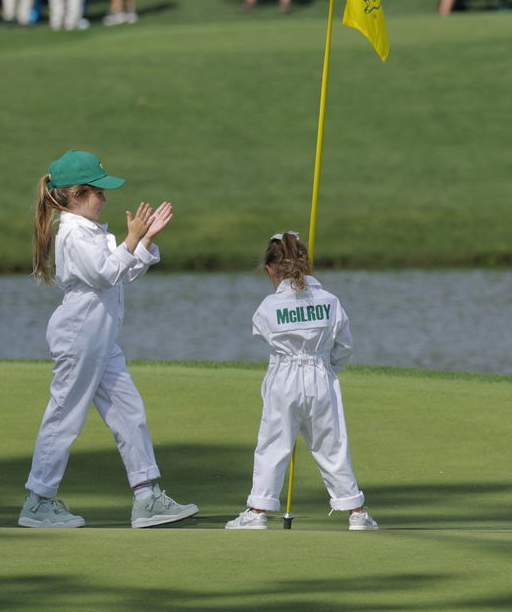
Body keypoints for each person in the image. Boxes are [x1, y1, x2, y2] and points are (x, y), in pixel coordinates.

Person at [19, 150, 198, 529]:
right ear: (75, 195)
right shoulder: (72, 233)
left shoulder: (92, 232)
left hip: (100, 338)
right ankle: (38, 502)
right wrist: (132, 240)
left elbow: (120, 274)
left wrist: (144, 241)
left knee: (129, 412)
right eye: (98, 193)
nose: (105, 199)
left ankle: (147, 497)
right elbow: (105, 273)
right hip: (80, 335)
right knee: (65, 416)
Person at [226, 232, 376, 531]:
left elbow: (261, 331)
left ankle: (257, 513)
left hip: (284, 377)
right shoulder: (330, 301)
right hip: (321, 375)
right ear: (306, 264)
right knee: (331, 444)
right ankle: (356, 513)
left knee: (273, 444)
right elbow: (344, 347)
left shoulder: (268, 306)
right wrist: (327, 365)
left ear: (271, 268)